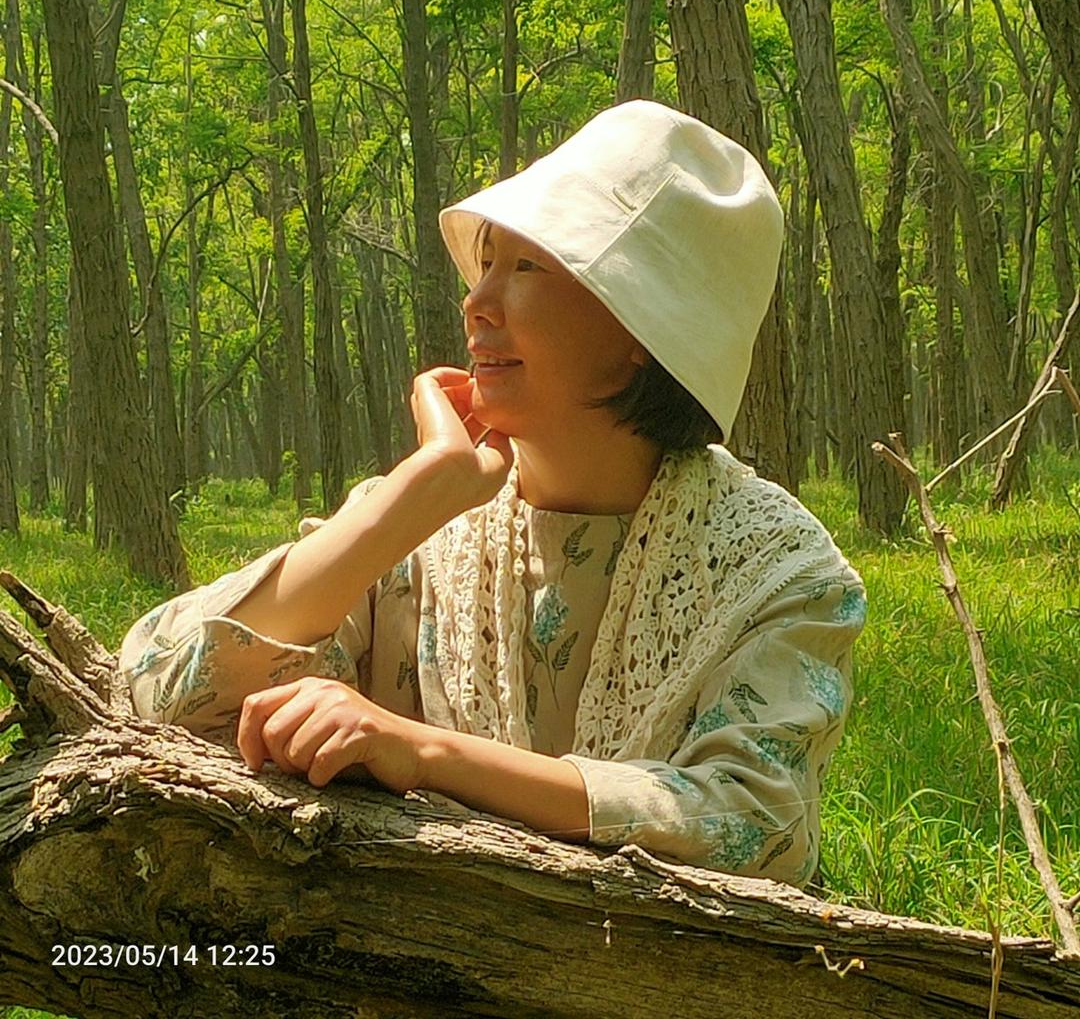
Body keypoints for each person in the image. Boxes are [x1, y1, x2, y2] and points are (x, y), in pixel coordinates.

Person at [120, 99, 867, 888]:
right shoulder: (417, 531)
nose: (476, 302)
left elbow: (754, 824)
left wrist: (427, 754)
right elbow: (155, 693)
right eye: (486, 263)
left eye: (528, 267)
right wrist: (413, 496)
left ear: (645, 327)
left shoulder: (783, 574)